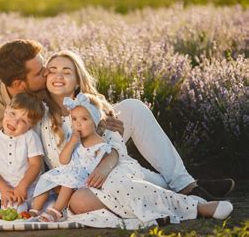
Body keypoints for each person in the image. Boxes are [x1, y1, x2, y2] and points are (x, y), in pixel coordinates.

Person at [0, 39, 234, 208]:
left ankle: (185, 185)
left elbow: (78, 90)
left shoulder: (42, 85)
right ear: (19, 84)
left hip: (85, 135)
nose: (49, 73)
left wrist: (104, 116)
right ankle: (183, 191)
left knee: (133, 109)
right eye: (42, 72)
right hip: (61, 162)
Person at [37, 50, 234, 217]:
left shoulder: (93, 107)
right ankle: (190, 197)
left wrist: (109, 160)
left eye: (66, 72)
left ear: (78, 80)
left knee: (132, 107)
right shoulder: (40, 114)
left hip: (115, 172)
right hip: (82, 184)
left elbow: (113, 144)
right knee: (84, 199)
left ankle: (186, 187)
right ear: (45, 77)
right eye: (52, 71)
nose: (58, 76)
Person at [0, 93, 45, 213]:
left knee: (47, 201)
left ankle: (38, 209)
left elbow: (35, 165)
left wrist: (22, 187)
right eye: (13, 114)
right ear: (6, 110)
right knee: (15, 213)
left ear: (30, 126)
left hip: (33, 190)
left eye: (23, 121)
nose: (15, 121)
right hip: (9, 193)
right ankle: (31, 212)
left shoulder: (30, 137)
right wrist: (4, 189)